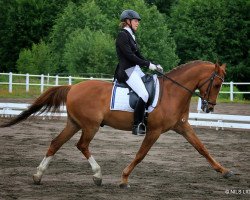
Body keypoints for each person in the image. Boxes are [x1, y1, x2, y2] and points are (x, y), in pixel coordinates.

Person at [114, 9, 163, 136]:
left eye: (137, 21)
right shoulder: (122, 35)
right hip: (127, 71)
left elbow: (138, 55)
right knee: (144, 94)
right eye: (135, 21)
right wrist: (149, 65)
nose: (138, 23)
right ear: (127, 21)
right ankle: (137, 124)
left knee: (151, 85)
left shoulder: (131, 36)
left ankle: (147, 116)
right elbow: (130, 56)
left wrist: (153, 64)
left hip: (136, 70)